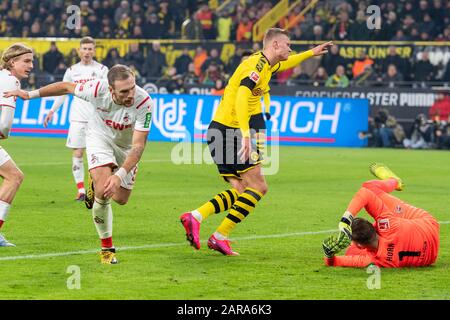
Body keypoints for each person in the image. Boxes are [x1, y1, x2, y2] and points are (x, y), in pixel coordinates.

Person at [180, 28, 333, 256]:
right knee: (259, 187)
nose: (290, 49)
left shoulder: (267, 64)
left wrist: (311, 53)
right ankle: (216, 234)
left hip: (219, 131)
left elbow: (289, 62)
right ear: (274, 45)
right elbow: (242, 96)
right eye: (287, 44)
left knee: (242, 189)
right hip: (230, 133)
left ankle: (198, 219)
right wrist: (245, 134)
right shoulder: (256, 67)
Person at [5, 65, 153, 264]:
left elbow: (138, 146)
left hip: (125, 148)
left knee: (121, 198)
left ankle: (96, 182)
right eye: (124, 91)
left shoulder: (144, 102)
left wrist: (119, 175)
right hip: (99, 138)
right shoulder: (95, 89)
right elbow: (66, 87)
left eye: (132, 88)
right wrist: (29, 95)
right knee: (103, 193)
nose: (130, 94)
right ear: (110, 90)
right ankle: (107, 249)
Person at [322, 163, 439, 268]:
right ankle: (394, 181)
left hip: (430, 257)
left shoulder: (374, 261)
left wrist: (329, 254)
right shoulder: (388, 223)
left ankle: (395, 180)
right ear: (374, 227)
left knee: (351, 252)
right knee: (369, 187)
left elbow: (332, 262)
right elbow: (365, 193)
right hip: (429, 227)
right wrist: (346, 219)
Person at [43, 37, 108, 201]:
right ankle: (81, 191)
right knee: (78, 152)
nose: (87, 52)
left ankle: (95, 188)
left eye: (90, 49)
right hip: (78, 118)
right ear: (79, 50)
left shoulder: (102, 70)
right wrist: (52, 111)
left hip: (97, 119)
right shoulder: (72, 71)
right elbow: (63, 91)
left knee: (96, 155)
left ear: (94, 50)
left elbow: (108, 93)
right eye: (84, 49)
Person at [0, 43, 34, 247]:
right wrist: (3, 134)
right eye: (27, 61)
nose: (31, 65)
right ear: (13, 62)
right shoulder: (11, 81)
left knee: (13, 176)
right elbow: (5, 123)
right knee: (14, 176)